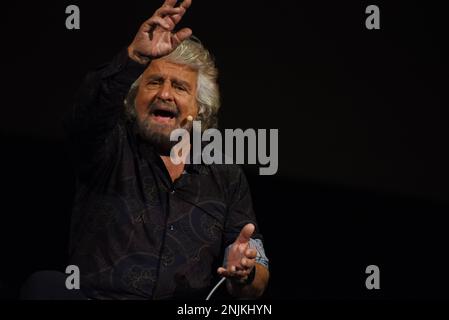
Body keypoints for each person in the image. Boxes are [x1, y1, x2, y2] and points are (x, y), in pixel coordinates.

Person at [23, 0, 269, 300]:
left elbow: (256, 274)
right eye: (153, 82)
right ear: (134, 98)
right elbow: (86, 114)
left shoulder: (226, 177)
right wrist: (135, 57)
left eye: (179, 87)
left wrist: (245, 272)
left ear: (199, 108)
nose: (164, 93)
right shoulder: (107, 145)